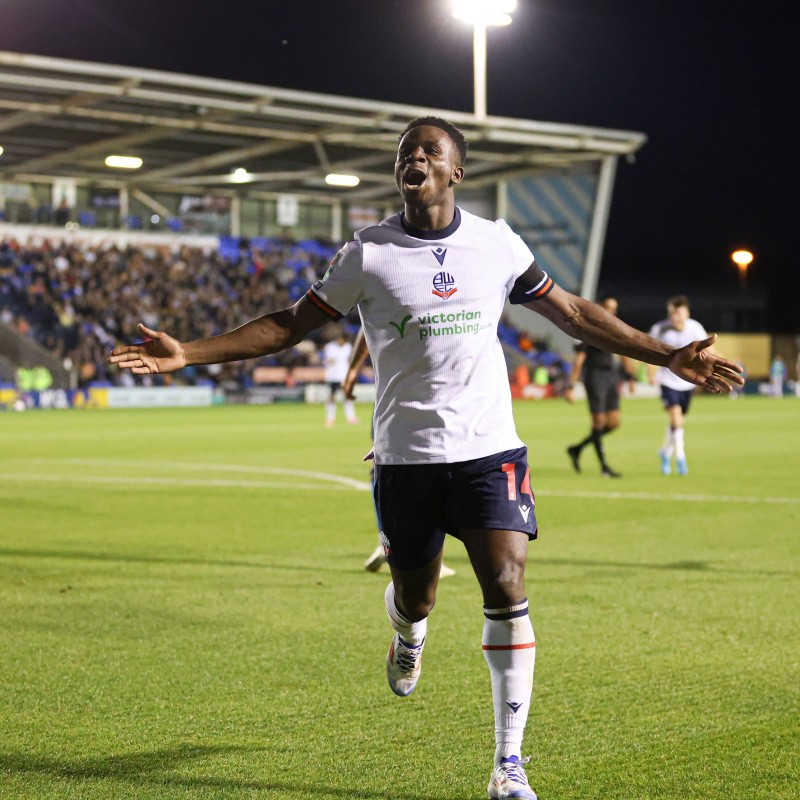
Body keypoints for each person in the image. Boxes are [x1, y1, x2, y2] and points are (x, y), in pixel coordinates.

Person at [109, 117, 743, 800]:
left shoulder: (496, 244)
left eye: (429, 151)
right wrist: (190, 352)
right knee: (419, 594)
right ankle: (407, 630)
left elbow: (574, 314)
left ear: (455, 172)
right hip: (406, 456)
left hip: (488, 446)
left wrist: (665, 355)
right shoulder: (368, 253)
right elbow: (289, 326)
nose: (414, 156)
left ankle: (508, 765)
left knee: (506, 579)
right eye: (405, 151)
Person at [342, 327, 455, 578]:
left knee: (398, 469)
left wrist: (352, 370)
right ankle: (397, 542)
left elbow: (365, 326)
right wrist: (352, 370)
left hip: (398, 396)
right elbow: (365, 324)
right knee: (424, 467)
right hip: (421, 395)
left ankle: (396, 542)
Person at [565, 294, 635, 478]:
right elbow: (579, 360)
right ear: (600, 307)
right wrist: (571, 386)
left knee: (614, 423)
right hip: (595, 376)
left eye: (614, 308)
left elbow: (624, 352)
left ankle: (577, 448)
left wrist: (630, 377)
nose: (612, 311)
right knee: (598, 422)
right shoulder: (589, 329)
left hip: (611, 375)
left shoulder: (615, 329)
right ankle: (604, 467)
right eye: (609, 307)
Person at [647, 295, 709, 476]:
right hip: (668, 381)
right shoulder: (660, 329)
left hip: (687, 383)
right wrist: (651, 373)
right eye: (672, 312)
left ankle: (665, 453)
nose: (675, 316)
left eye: (679, 312)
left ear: (686, 313)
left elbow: (707, 350)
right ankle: (680, 457)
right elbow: (650, 351)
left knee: (676, 423)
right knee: (676, 419)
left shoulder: (695, 327)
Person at [321, 329, 358, 426]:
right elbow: (326, 360)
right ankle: (330, 418)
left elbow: (350, 361)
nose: (339, 341)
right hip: (332, 376)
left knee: (347, 397)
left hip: (344, 376)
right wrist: (328, 361)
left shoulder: (348, 347)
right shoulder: (329, 347)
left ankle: (351, 417)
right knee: (331, 398)